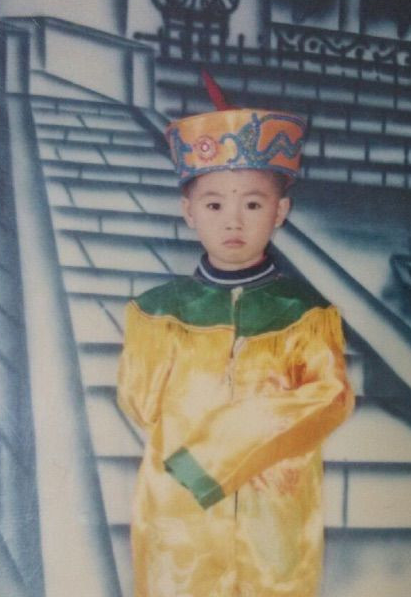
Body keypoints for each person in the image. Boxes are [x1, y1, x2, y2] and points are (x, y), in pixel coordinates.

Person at [117, 99, 354, 597]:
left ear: (280, 212)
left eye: (252, 204)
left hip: (274, 503)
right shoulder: (157, 312)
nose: (233, 222)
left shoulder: (305, 313)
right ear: (188, 212)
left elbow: (329, 397)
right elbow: (139, 403)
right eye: (214, 205)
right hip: (180, 507)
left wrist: (218, 451)